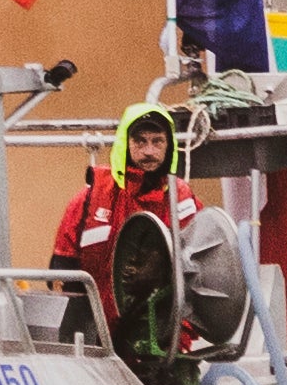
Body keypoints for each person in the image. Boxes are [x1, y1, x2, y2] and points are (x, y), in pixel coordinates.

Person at [50, 103, 188, 351]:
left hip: (163, 339)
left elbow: (198, 271)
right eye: (140, 142)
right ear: (126, 142)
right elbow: (61, 272)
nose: (149, 151)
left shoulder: (182, 199)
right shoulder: (90, 199)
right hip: (96, 338)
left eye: (157, 142)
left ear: (169, 146)